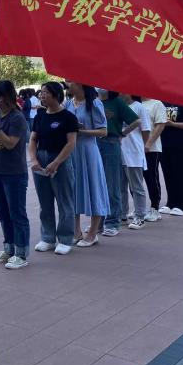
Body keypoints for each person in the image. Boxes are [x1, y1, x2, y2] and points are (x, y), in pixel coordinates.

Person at [0, 80, 30, 269]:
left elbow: (10, 143)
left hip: (15, 173)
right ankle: (8, 248)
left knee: (17, 213)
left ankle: (21, 253)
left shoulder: (17, 118)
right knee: (2, 211)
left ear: (5, 97)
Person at [29, 82, 78, 255]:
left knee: (64, 201)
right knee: (45, 201)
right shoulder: (40, 116)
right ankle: (47, 237)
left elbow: (71, 143)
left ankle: (65, 238)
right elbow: (33, 140)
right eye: (41, 93)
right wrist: (33, 159)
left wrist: (56, 162)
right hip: (41, 159)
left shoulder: (68, 117)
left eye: (45, 92)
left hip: (61, 160)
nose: (41, 96)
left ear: (56, 94)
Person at [64, 83, 108, 247]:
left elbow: (103, 131)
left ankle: (93, 233)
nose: (67, 83)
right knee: (72, 190)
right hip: (71, 151)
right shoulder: (68, 103)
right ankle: (76, 232)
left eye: (70, 81)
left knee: (94, 188)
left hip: (88, 151)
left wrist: (81, 131)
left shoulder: (94, 103)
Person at [98, 90, 139, 236]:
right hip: (94, 143)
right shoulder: (95, 102)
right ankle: (98, 222)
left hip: (110, 142)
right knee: (98, 185)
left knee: (112, 184)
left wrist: (122, 133)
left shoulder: (117, 103)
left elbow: (136, 121)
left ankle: (112, 222)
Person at [120, 94, 150, 229]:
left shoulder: (139, 107)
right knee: (120, 187)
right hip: (118, 151)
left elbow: (146, 130)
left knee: (136, 187)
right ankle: (122, 214)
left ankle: (140, 216)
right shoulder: (118, 106)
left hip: (133, 152)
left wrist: (142, 147)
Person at [142, 97, 167, 221]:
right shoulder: (134, 102)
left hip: (151, 148)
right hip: (135, 148)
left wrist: (149, 143)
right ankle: (139, 208)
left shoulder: (157, 103)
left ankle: (155, 208)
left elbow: (160, 125)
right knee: (134, 180)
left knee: (151, 177)